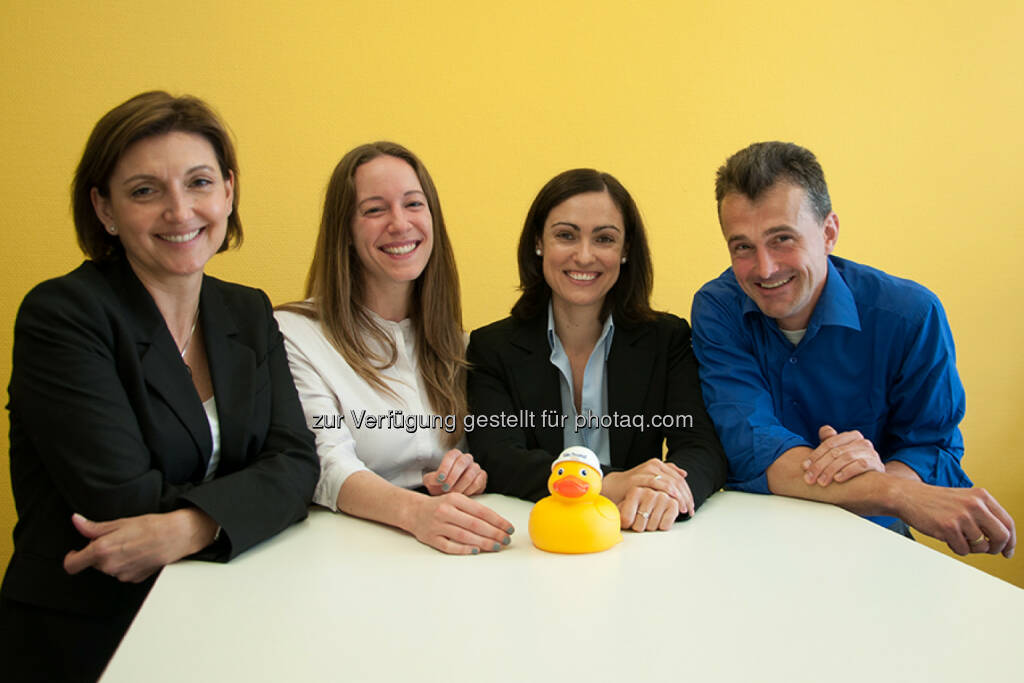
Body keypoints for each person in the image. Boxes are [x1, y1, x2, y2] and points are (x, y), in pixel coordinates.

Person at [0, 91, 320, 682]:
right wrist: (245, 505)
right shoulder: (64, 315)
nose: (180, 211)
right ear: (105, 209)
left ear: (227, 190)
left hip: (224, 609)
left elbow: (298, 462)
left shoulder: (247, 311)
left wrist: (193, 525)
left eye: (198, 182)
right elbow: (119, 504)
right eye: (145, 191)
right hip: (90, 632)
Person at [691, 140, 1015, 557]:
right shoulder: (718, 308)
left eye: (782, 239)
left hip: (874, 535)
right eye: (742, 247)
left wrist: (885, 483)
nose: (765, 268)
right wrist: (891, 491)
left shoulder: (911, 315)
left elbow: (932, 445)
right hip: (757, 537)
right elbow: (753, 445)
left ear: (828, 233)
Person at [275, 142, 514, 556]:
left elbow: (461, 460)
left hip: (447, 554)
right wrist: (417, 513)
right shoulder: (294, 333)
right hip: (343, 556)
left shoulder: (457, 344)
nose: (400, 224)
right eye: (374, 210)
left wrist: (464, 474)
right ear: (344, 232)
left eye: (413, 204)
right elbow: (325, 465)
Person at [467, 169, 728, 532]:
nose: (584, 256)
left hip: (636, 534)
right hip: (531, 535)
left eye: (604, 239)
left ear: (625, 251)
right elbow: (498, 456)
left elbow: (702, 449)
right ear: (538, 243)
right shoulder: (489, 347)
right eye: (565, 235)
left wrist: (670, 492)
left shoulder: (667, 340)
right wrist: (604, 483)